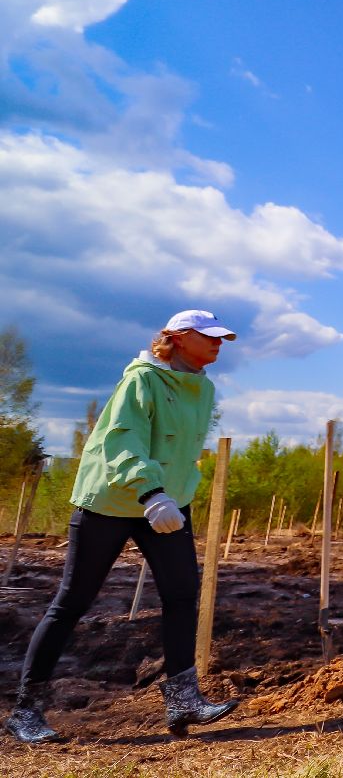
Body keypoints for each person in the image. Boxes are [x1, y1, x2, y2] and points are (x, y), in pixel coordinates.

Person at [6, 311, 244, 744]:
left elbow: (182, 448)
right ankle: (26, 710)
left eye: (221, 338)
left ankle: (183, 699)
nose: (218, 344)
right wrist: (151, 492)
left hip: (168, 505)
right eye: (208, 337)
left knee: (182, 595)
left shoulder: (204, 388)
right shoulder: (141, 380)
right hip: (114, 500)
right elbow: (122, 440)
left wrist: (173, 494)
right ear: (176, 338)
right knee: (72, 601)